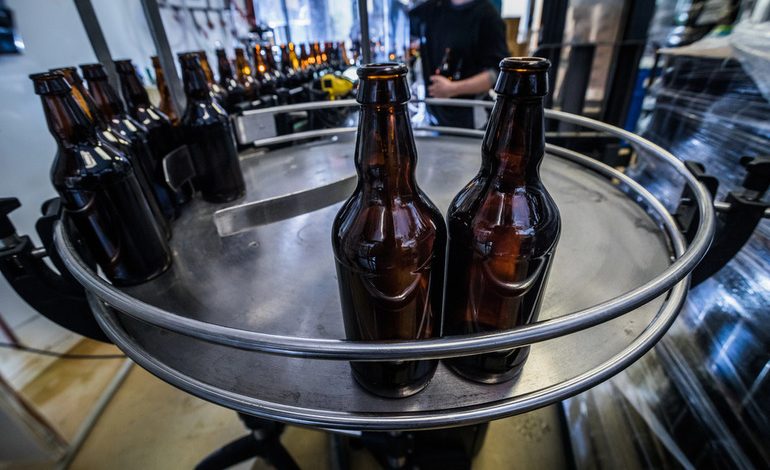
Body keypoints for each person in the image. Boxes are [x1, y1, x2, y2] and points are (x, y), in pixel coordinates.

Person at [410, 0, 509, 128]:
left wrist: (452, 89)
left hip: (471, 122)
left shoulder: (487, 16)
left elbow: (496, 73)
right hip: (433, 121)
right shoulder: (433, 8)